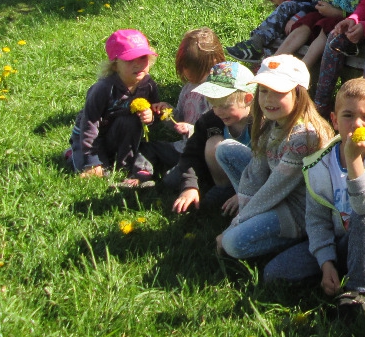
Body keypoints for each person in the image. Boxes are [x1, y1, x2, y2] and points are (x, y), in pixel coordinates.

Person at [263, 79, 365, 322]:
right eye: (348, 115)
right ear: (334, 120)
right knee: (275, 273)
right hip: (342, 242)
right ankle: (338, 270)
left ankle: (357, 291)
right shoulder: (319, 163)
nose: (357, 124)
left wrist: (353, 161)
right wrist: (326, 262)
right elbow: (316, 219)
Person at [213, 55, 333, 260]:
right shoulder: (271, 122)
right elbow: (255, 172)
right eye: (264, 91)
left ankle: (294, 239)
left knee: (232, 243)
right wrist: (243, 213)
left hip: (300, 211)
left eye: (278, 92)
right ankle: (252, 220)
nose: (269, 99)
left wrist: (235, 226)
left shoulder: (304, 138)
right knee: (225, 149)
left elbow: (274, 189)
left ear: (298, 94)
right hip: (275, 194)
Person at [68, 29, 170, 187]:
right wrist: (92, 161)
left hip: (119, 133)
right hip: (91, 137)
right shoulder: (103, 89)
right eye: (130, 60)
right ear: (115, 65)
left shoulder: (148, 85)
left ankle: (125, 165)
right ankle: (73, 154)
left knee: (131, 121)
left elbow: (151, 118)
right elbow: (89, 124)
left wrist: (151, 117)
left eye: (143, 57)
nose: (137, 64)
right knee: (93, 172)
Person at [171, 62, 257, 213]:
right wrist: (190, 186)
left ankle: (244, 196)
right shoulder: (210, 120)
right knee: (213, 144)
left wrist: (247, 191)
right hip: (225, 178)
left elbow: (267, 164)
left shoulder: (262, 123)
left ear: (248, 99)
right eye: (213, 105)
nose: (218, 112)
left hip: (256, 179)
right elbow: (192, 153)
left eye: (224, 106)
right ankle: (224, 189)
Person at [169, 27, 226, 151]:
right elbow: (180, 119)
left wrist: (191, 129)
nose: (188, 72)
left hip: (202, 150)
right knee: (146, 150)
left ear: (213, 62)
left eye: (195, 68)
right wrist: (168, 113)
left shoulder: (216, 91)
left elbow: (218, 128)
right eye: (184, 67)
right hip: (182, 146)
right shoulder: (188, 88)